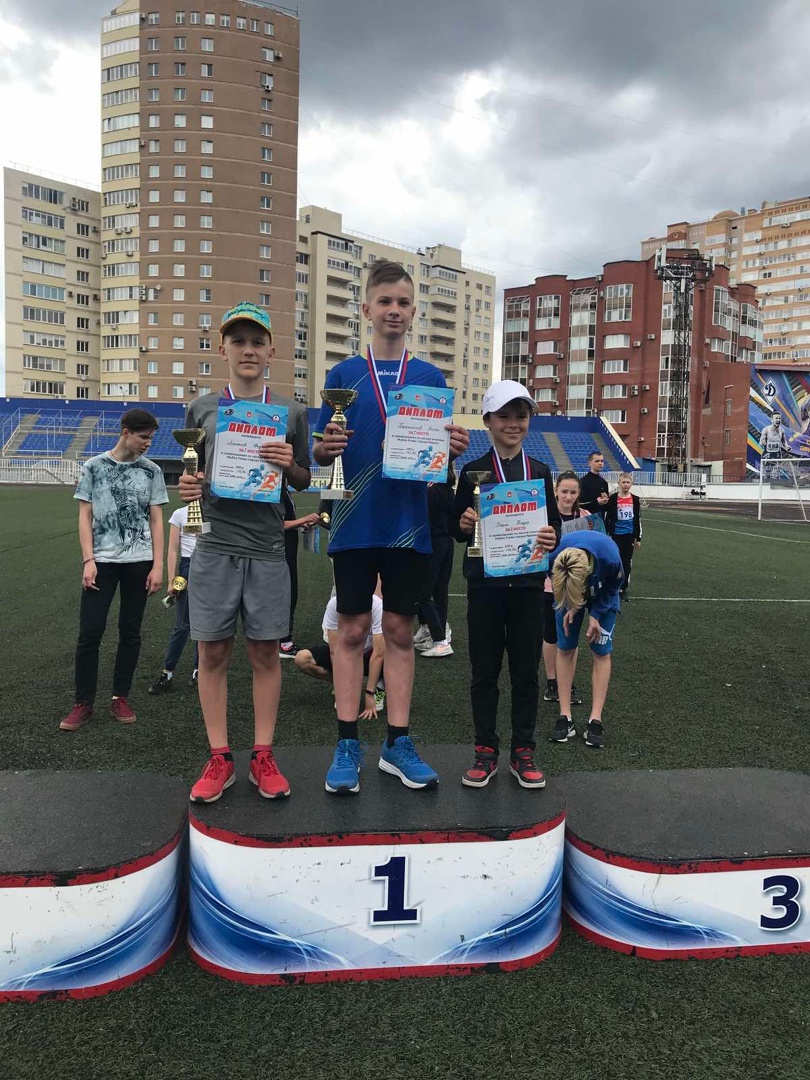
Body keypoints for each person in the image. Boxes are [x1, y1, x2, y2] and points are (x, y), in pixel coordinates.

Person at [312, 260, 469, 794]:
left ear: (414, 311)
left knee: (400, 631)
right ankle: (347, 743)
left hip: (408, 524)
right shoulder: (342, 376)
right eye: (385, 301)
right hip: (355, 520)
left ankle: (397, 743)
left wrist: (450, 449)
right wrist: (325, 447)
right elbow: (320, 450)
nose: (394, 310)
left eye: (403, 302)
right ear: (366, 309)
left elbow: (436, 462)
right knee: (352, 631)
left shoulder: (428, 379)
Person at [180, 301, 311, 803]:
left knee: (264, 652)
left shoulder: (292, 412)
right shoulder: (202, 410)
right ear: (223, 350)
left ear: (272, 351)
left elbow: (304, 478)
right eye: (238, 341)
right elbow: (191, 472)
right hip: (215, 542)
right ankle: (220, 756)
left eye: (257, 342)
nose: (248, 350)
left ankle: (262, 754)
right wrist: (189, 487)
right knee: (212, 651)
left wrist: (291, 465)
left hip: (267, 545)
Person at [454, 381, 561, 789]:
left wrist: (551, 537)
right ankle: (485, 749)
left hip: (529, 587)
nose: (514, 423)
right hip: (484, 587)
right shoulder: (472, 471)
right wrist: (464, 524)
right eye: (504, 416)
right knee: (484, 672)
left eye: (521, 415)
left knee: (525, 674)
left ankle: (523, 749)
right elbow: (456, 530)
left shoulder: (540, 472)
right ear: (487, 421)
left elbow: (554, 529)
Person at [60, 409, 167, 731]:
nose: (148, 443)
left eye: (151, 438)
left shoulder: (151, 471)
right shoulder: (94, 466)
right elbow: (84, 515)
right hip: (102, 562)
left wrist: (158, 565)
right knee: (90, 632)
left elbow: (156, 520)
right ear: (125, 432)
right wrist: (88, 560)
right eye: (143, 437)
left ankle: (120, 697)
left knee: (130, 632)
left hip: (139, 562)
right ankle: (83, 703)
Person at [549, 530, 624, 749]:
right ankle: (565, 715)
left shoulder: (610, 557)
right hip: (568, 594)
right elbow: (559, 586)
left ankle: (595, 719)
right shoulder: (552, 557)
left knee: (601, 651)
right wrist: (572, 605)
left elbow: (614, 585)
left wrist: (596, 614)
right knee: (565, 648)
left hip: (604, 592)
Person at [295, 593, 386, 752]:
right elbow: (334, 651)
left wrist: (369, 693)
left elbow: (378, 653)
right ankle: (349, 685)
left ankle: (380, 685)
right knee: (302, 659)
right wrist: (341, 686)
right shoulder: (334, 604)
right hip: (348, 655)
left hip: (370, 654)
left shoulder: (377, 605)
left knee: (396, 655)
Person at [542, 471, 588, 708]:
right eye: (564, 491)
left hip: (575, 587)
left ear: (578, 493)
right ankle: (552, 683)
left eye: (573, 492)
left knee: (571, 635)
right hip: (548, 585)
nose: (568, 496)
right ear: (555, 491)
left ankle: (567, 683)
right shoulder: (546, 516)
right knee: (551, 634)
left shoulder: (585, 517)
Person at [147, 503, 200, 694]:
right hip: (187, 567)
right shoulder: (180, 514)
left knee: (206, 625)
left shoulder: (215, 512)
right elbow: (172, 550)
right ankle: (168, 673)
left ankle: (199, 671)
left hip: (211, 568)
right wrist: (171, 580)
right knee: (182, 625)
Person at [414, 466, 456, 658]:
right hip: (445, 542)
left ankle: (439, 638)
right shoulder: (446, 488)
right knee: (439, 591)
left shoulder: (433, 489)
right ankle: (433, 633)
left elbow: (423, 517)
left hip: (432, 543)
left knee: (422, 594)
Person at [279, 488, 322, 659]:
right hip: (279, 549)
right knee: (285, 593)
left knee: (290, 592)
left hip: (287, 547)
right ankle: (283, 642)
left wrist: (301, 523)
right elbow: (276, 524)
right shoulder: (276, 489)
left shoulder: (284, 489)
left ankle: (282, 639)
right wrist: (303, 520)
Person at [605, 473, 642, 601]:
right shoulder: (613, 498)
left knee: (626, 563)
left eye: (628, 482)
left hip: (629, 535)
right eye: (623, 482)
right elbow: (608, 517)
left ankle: (623, 588)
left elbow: (637, 519)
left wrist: (638, 538)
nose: (625, 485)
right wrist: (608, 534)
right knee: (615, 561)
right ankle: (612, 587)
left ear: (631, 484)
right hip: (616, 535)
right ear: (619, 483)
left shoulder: (635, 499)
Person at [579, 451, 609, 517]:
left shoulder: (604, 482)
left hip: (600, 520)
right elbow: (579, 505)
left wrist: (606, 501)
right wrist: (596, 502)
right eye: (597, 461)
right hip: (586, 519)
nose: (600, 463)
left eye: (602, 461)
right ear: (589, 463)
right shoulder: (582, 482)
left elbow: (605, 507)